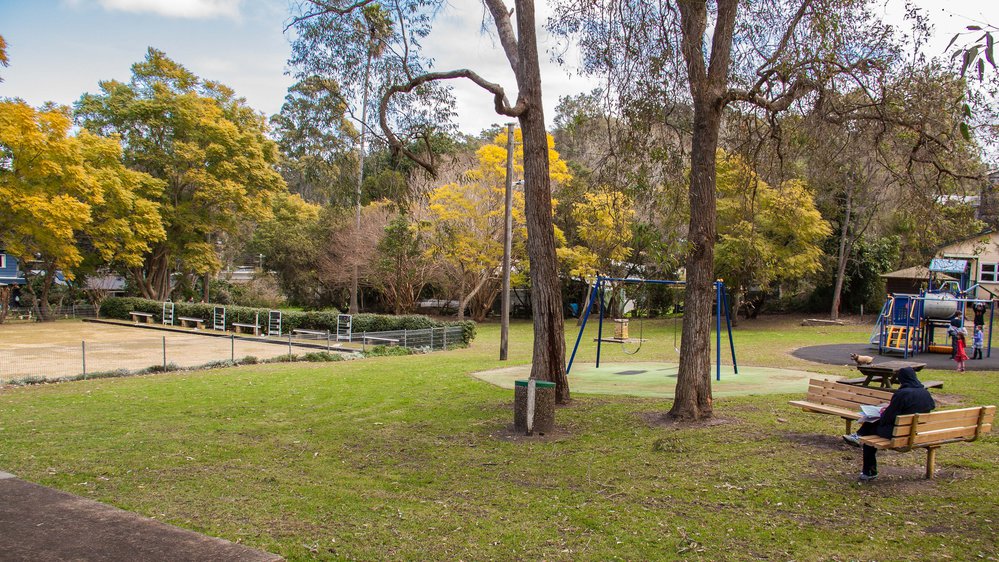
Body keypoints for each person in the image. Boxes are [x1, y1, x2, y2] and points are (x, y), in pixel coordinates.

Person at [843, 367, 935, 481]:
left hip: (898, 434)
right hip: (917, 431)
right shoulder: (925, 392)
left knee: (870, 433)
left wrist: (882, 412)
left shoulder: (902, 394)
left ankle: (869, 471)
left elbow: (888, 417)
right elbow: (931, 406)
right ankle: (858, 435)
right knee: (874, 423)